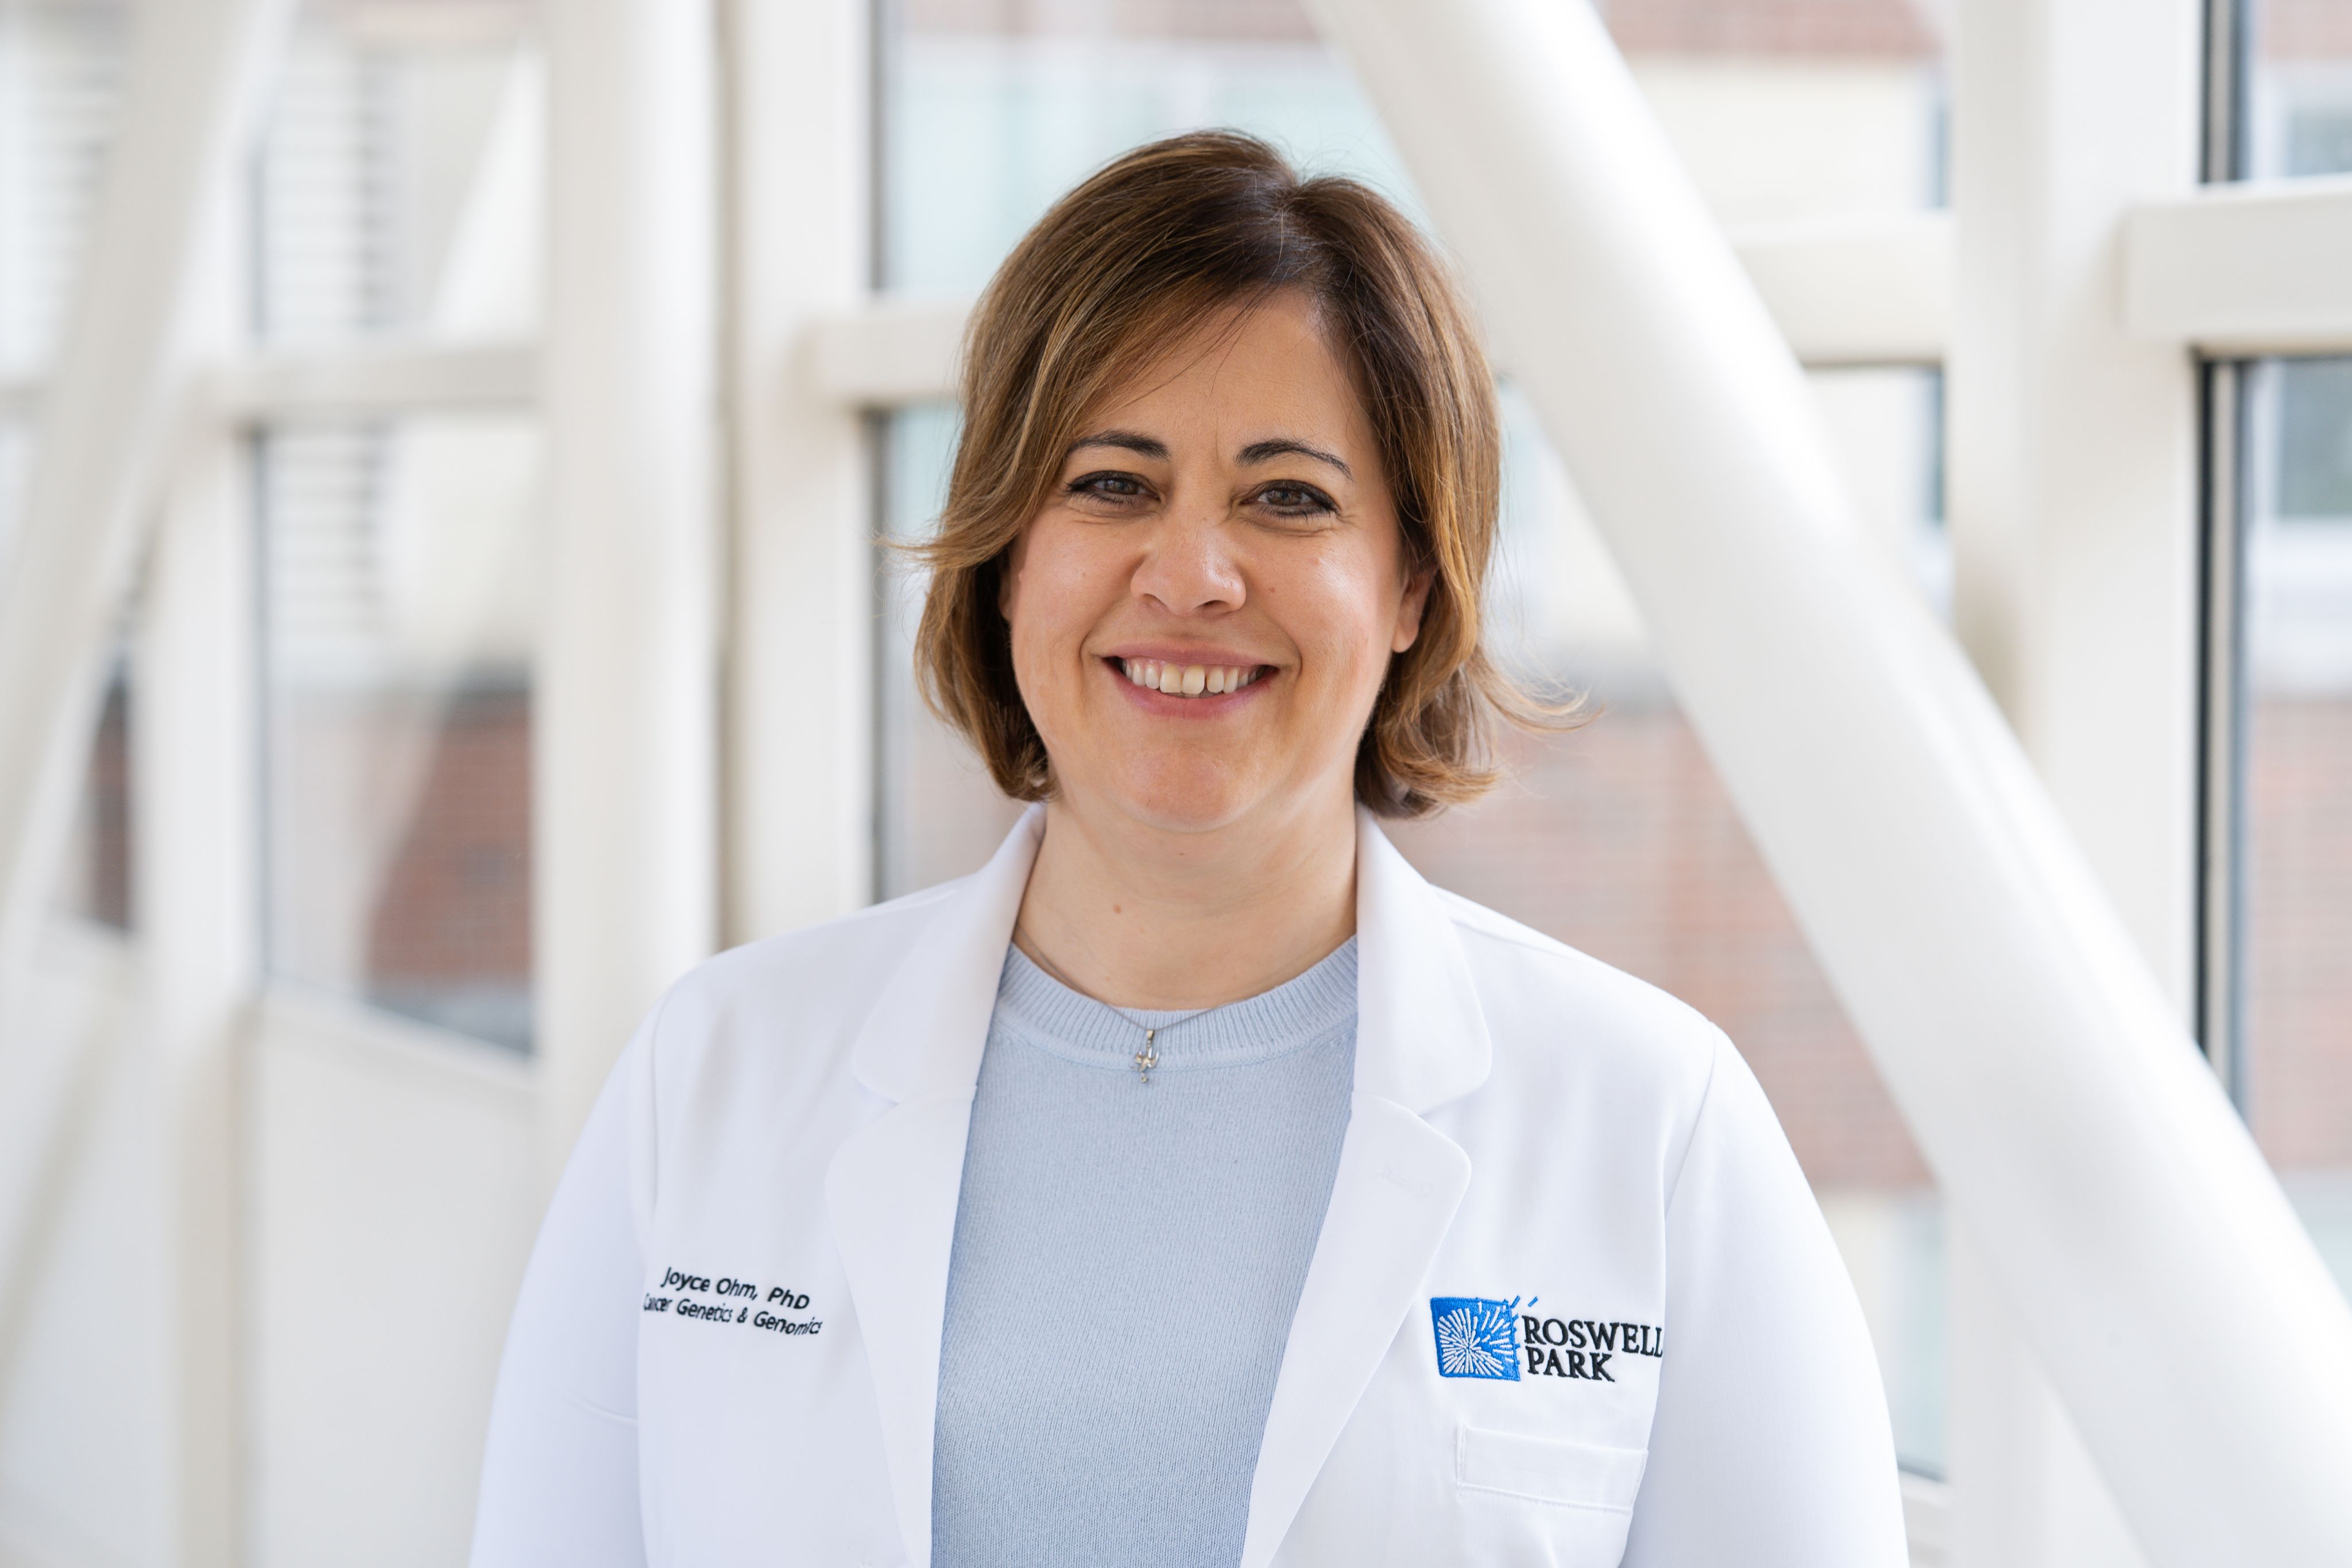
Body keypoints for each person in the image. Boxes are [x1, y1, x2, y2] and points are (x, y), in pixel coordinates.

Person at [470, 130, 1906, 1568]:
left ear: (1411, 578)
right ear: (1008, 553)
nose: (1191, 575)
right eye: (1109, 483)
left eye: (1289, 498)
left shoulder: (1650, 1122)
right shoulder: (714, 1069)